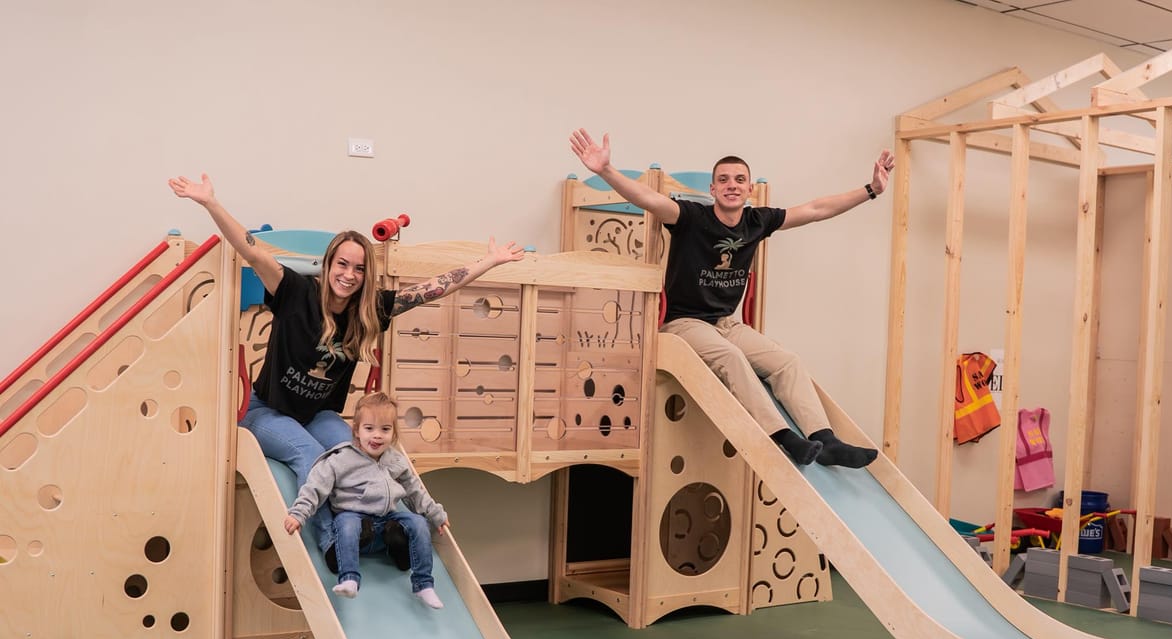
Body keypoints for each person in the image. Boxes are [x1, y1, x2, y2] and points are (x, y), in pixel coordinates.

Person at [169, 173, 523, 568]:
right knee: (315, 457)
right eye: (342, 264)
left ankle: (388, 531)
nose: (348, 275)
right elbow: (251, 252)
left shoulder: (370, 309)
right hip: (266, 411)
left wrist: (488, 262)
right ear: (329, 263)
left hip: (319, 415)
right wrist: (210, 203)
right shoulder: (295, 291)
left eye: (357, 268)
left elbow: (434, 288)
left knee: (362, 451)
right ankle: (333, 543)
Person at [568, 129, 891, 469]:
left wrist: (871, 190)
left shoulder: (757, 221)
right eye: (723, 180)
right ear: (713, 189)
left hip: (726, 323)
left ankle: (825, 441)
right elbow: (648, 199)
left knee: (787, 361)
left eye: (739, 179)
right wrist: (606, 171)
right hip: (683, 324)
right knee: (731, 357)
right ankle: (784, 438)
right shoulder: (690, 217)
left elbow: (815, 209)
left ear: (749, 189)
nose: (732, 185)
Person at [284, 392, 447, 607]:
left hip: (387, 519)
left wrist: (436, 514)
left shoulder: (395, 460)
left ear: (394, 433)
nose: (377, 436)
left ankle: (423, 584)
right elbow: (315, 487)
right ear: (357, 431)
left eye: (385, 429)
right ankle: (350, 579)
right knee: (346, 522)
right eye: (369, 429)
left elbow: (415, 491)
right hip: (354, 519)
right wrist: (298, 514)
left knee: (418, 523)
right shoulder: (342, 459)